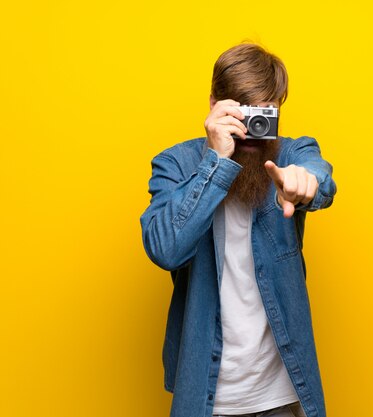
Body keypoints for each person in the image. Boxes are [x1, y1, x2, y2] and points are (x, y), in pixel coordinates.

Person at [139, 42, 337, 417]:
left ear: (277, 107)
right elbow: (164, 249)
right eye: (239, 114)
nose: (251, 131)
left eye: (263, 114)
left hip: (279, 394)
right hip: (205, 397)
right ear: (214, 105)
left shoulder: (290, 154)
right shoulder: (176, 164)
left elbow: (320, 177)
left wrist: (305, 183)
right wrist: (215, 161)